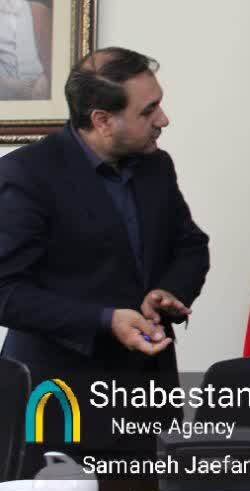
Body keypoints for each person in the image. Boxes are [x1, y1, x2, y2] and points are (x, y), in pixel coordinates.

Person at [0, 47, 208, 373]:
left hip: (149, 379)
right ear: (103, 121)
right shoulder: (26, 175)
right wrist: (105, 320)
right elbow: (6, 292)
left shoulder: (156, 165)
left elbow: (191, 246)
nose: (163, 119)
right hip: (61, 383)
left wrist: (169, 290)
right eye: (148, 111)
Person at [0, 0, 51, 100]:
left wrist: (44, 80)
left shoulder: (39, 11)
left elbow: (53, 59)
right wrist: (11, 86)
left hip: (39, 93)